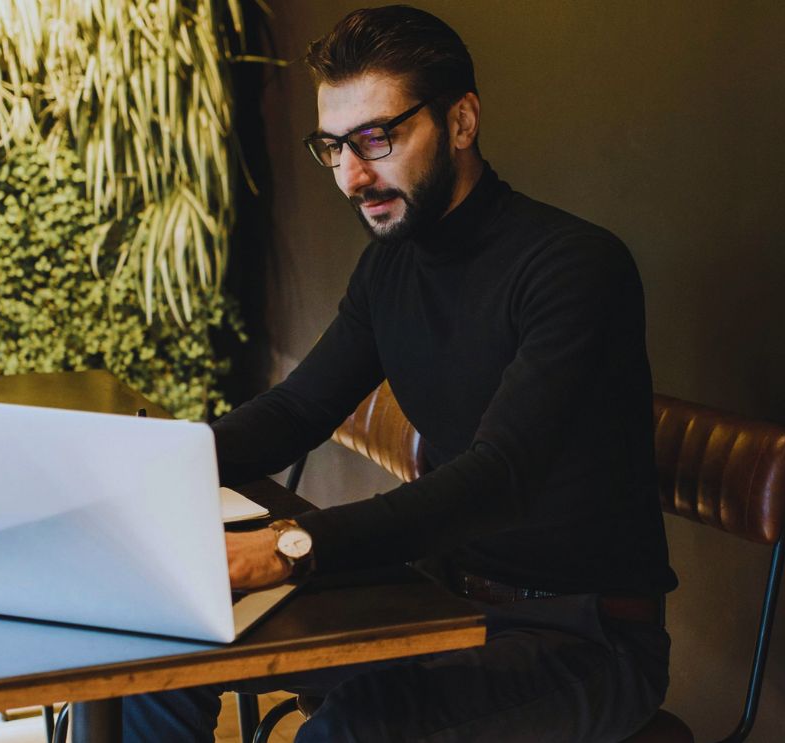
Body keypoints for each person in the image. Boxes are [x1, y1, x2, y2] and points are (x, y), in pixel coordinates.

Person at [124, 5, 677, 741]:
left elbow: (500, 474)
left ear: (460, 121)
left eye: (377, 138)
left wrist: (293, 546)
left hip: (582, 636)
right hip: (434, 595)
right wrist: (145, 473)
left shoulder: (573, 267)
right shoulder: (390, 264)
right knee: (158, 632)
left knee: (352, 731)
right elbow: (296, 411)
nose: (353, 175)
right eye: (333, 147)